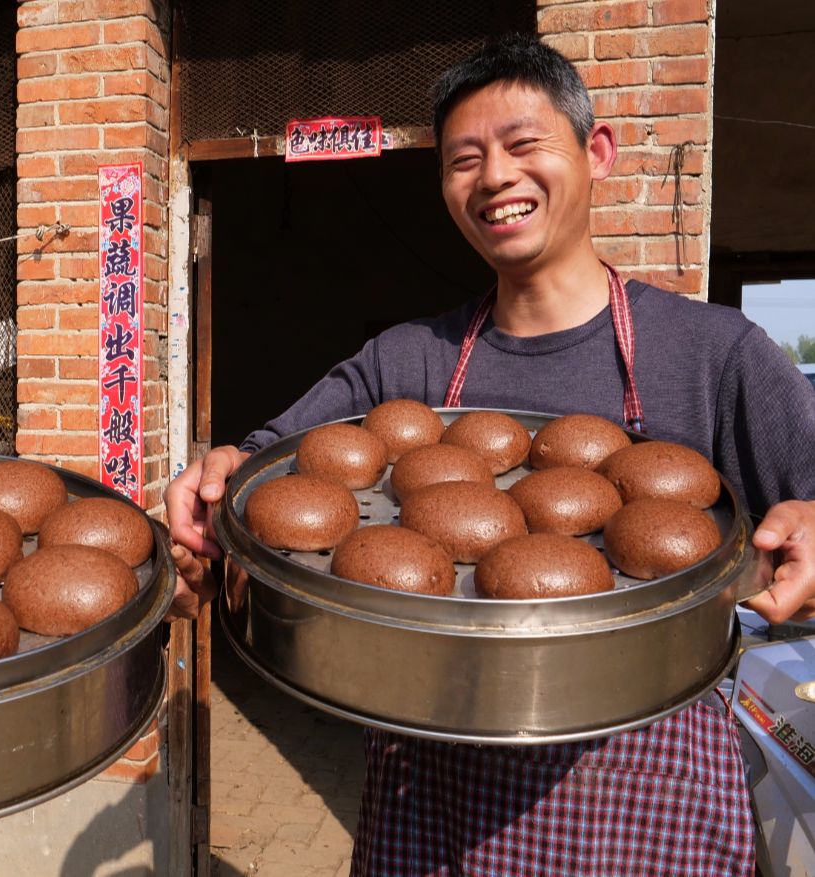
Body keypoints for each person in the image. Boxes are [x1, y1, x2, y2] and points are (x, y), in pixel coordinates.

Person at [168, 35, 815, 875]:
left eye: (522, 145)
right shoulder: (408, 362)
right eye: (463, 159)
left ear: (597, 153)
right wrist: (211, 485)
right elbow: (263, 463)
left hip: (645, 784)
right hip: (433, 784)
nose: (494, 178)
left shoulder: (714, 353)